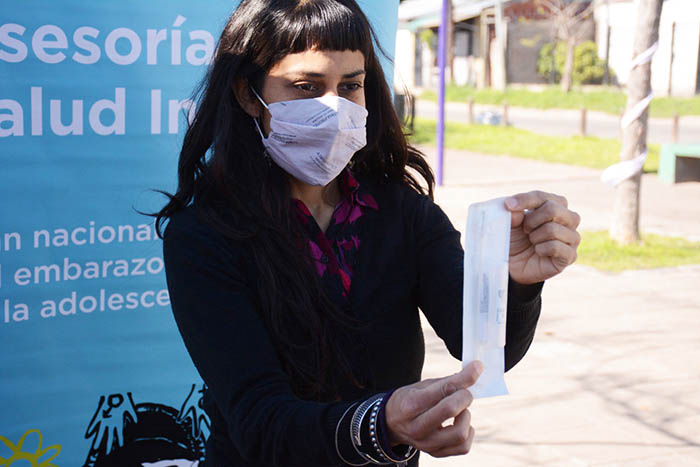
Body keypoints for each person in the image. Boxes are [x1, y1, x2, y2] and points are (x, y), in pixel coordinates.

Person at [157, 0, 581, 465]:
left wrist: (514, 283)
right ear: (247, 94)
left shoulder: (402, 211)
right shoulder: (205, 236)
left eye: (350, 86)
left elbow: (481, 348)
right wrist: (381, 425)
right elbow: (261, 422)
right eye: (306, 86)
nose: (333, 108)